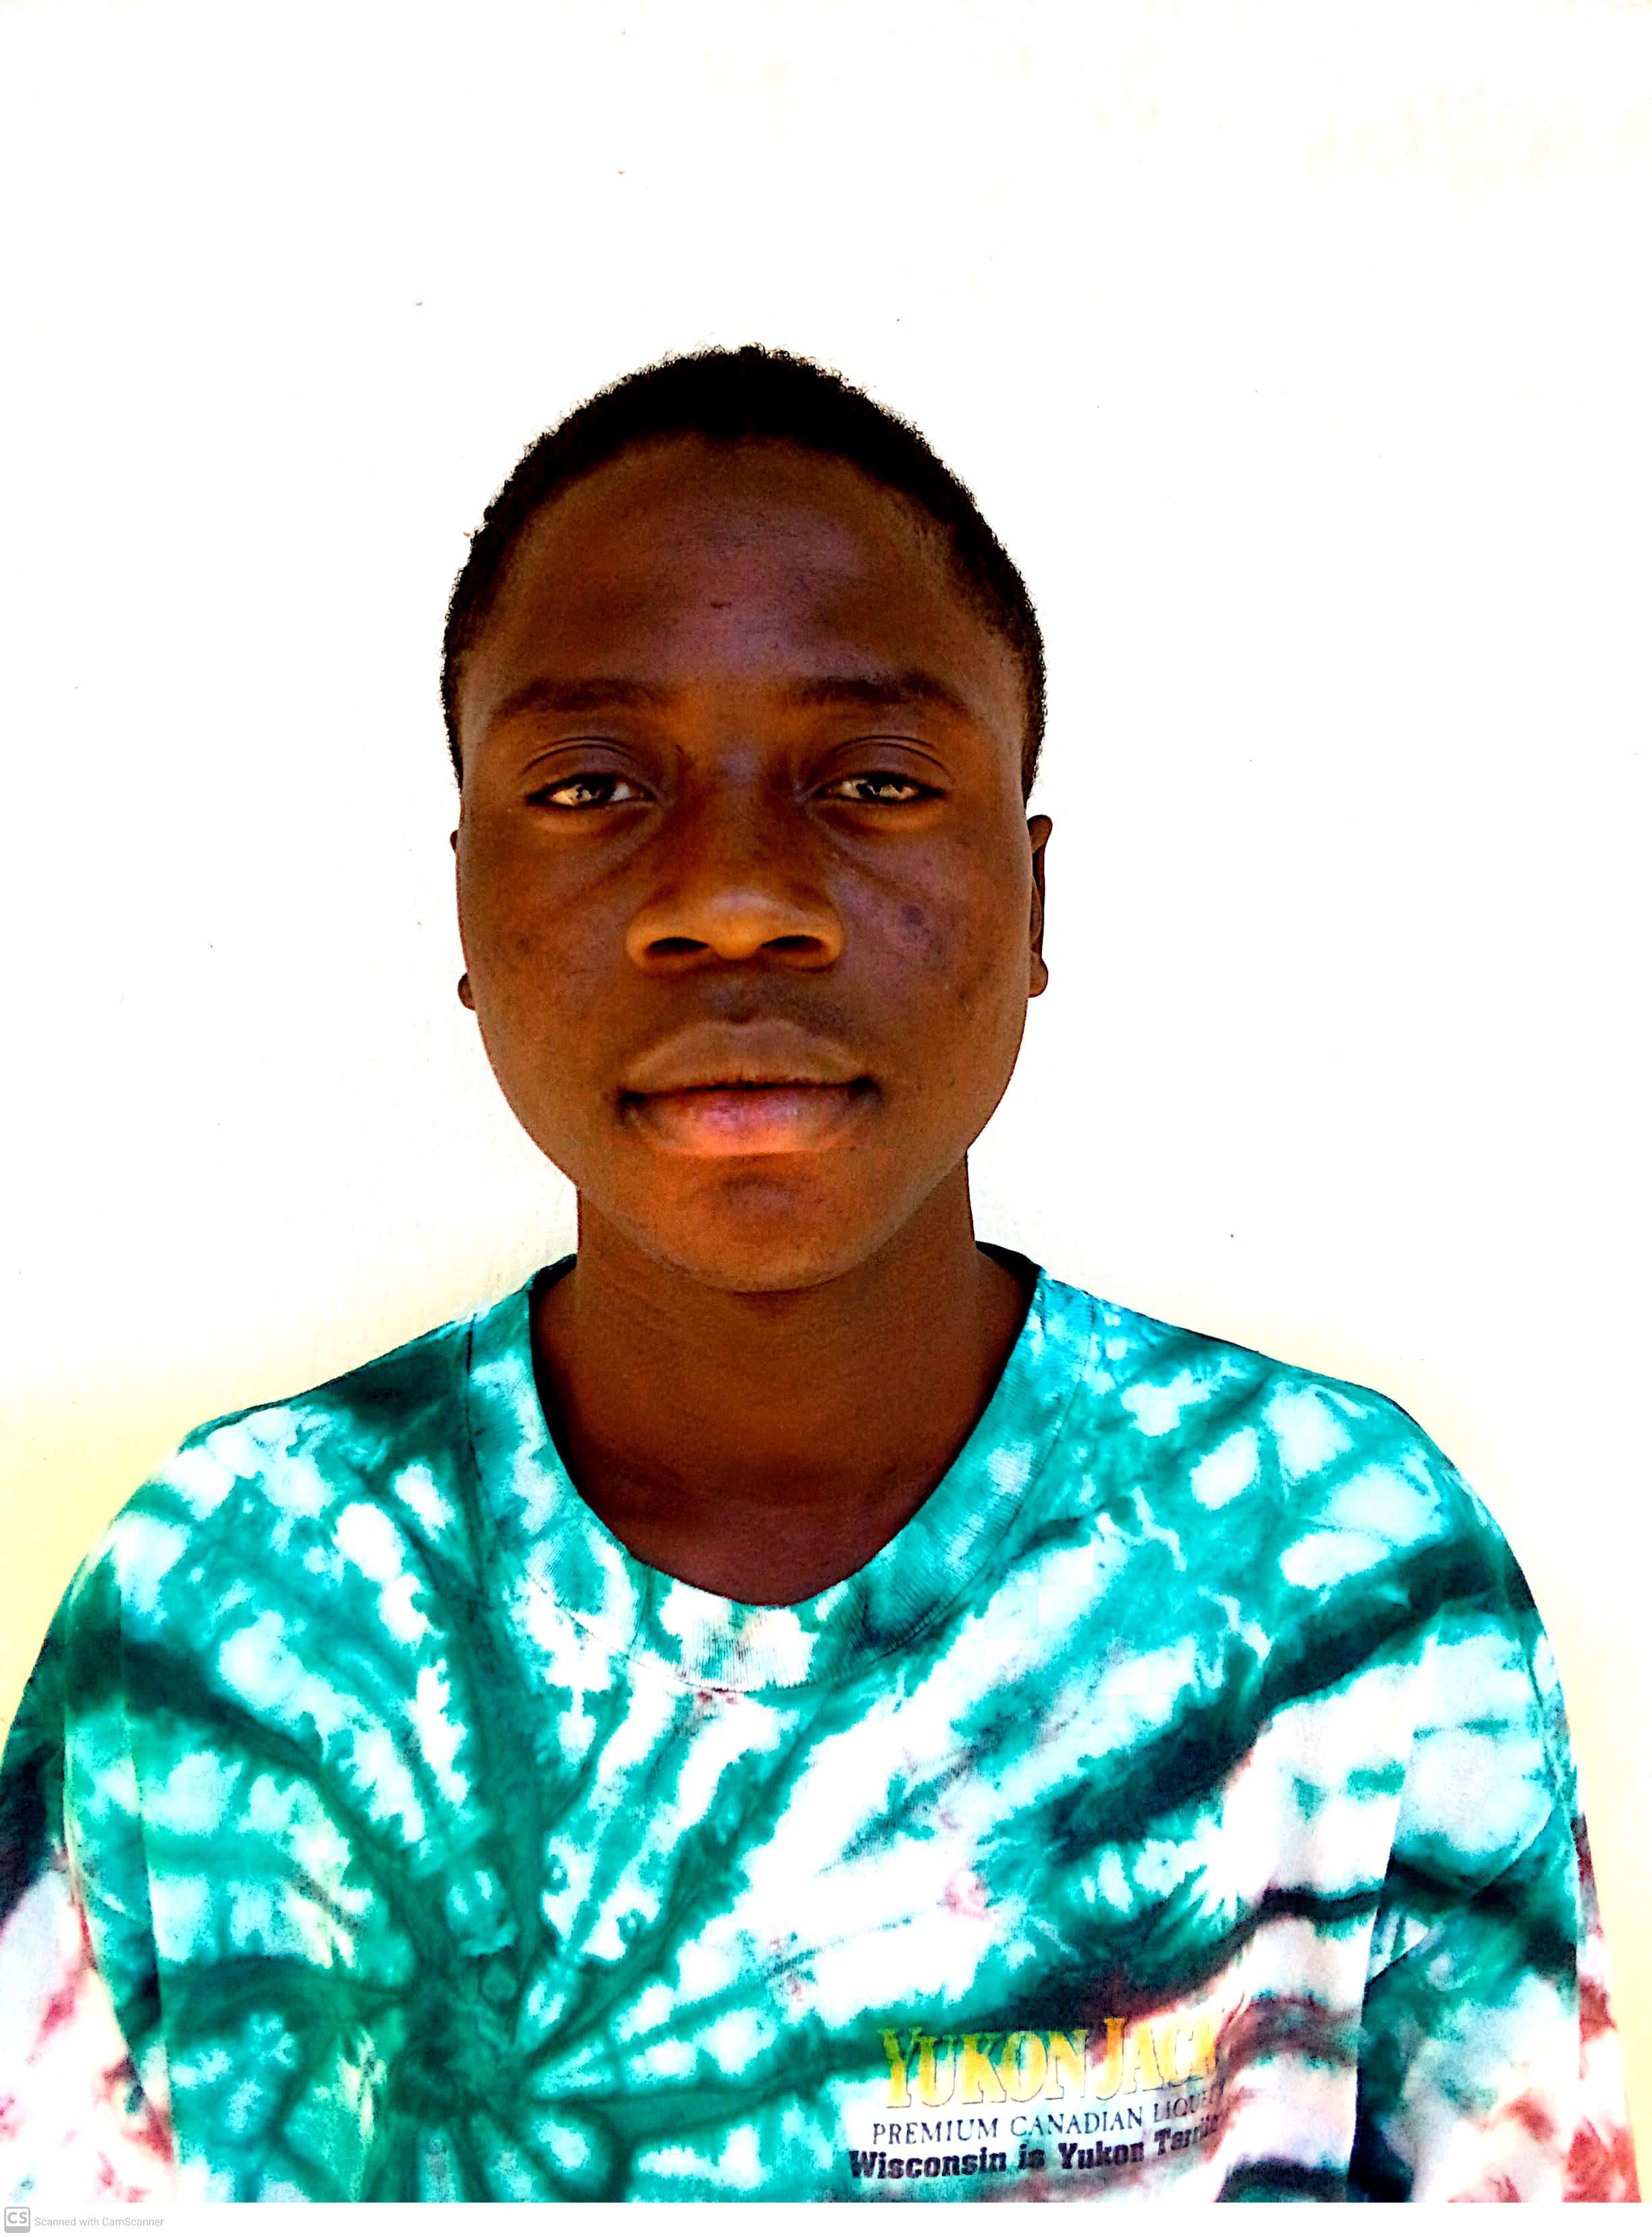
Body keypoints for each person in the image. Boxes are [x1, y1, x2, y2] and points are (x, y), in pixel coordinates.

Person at [0, 346, 1638, 2207]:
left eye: (872, 779)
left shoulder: (1343, 1576)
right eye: (592, 784)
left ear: (1035, 901)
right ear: (466, 907)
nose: (735, 897)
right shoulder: (228, 1606)